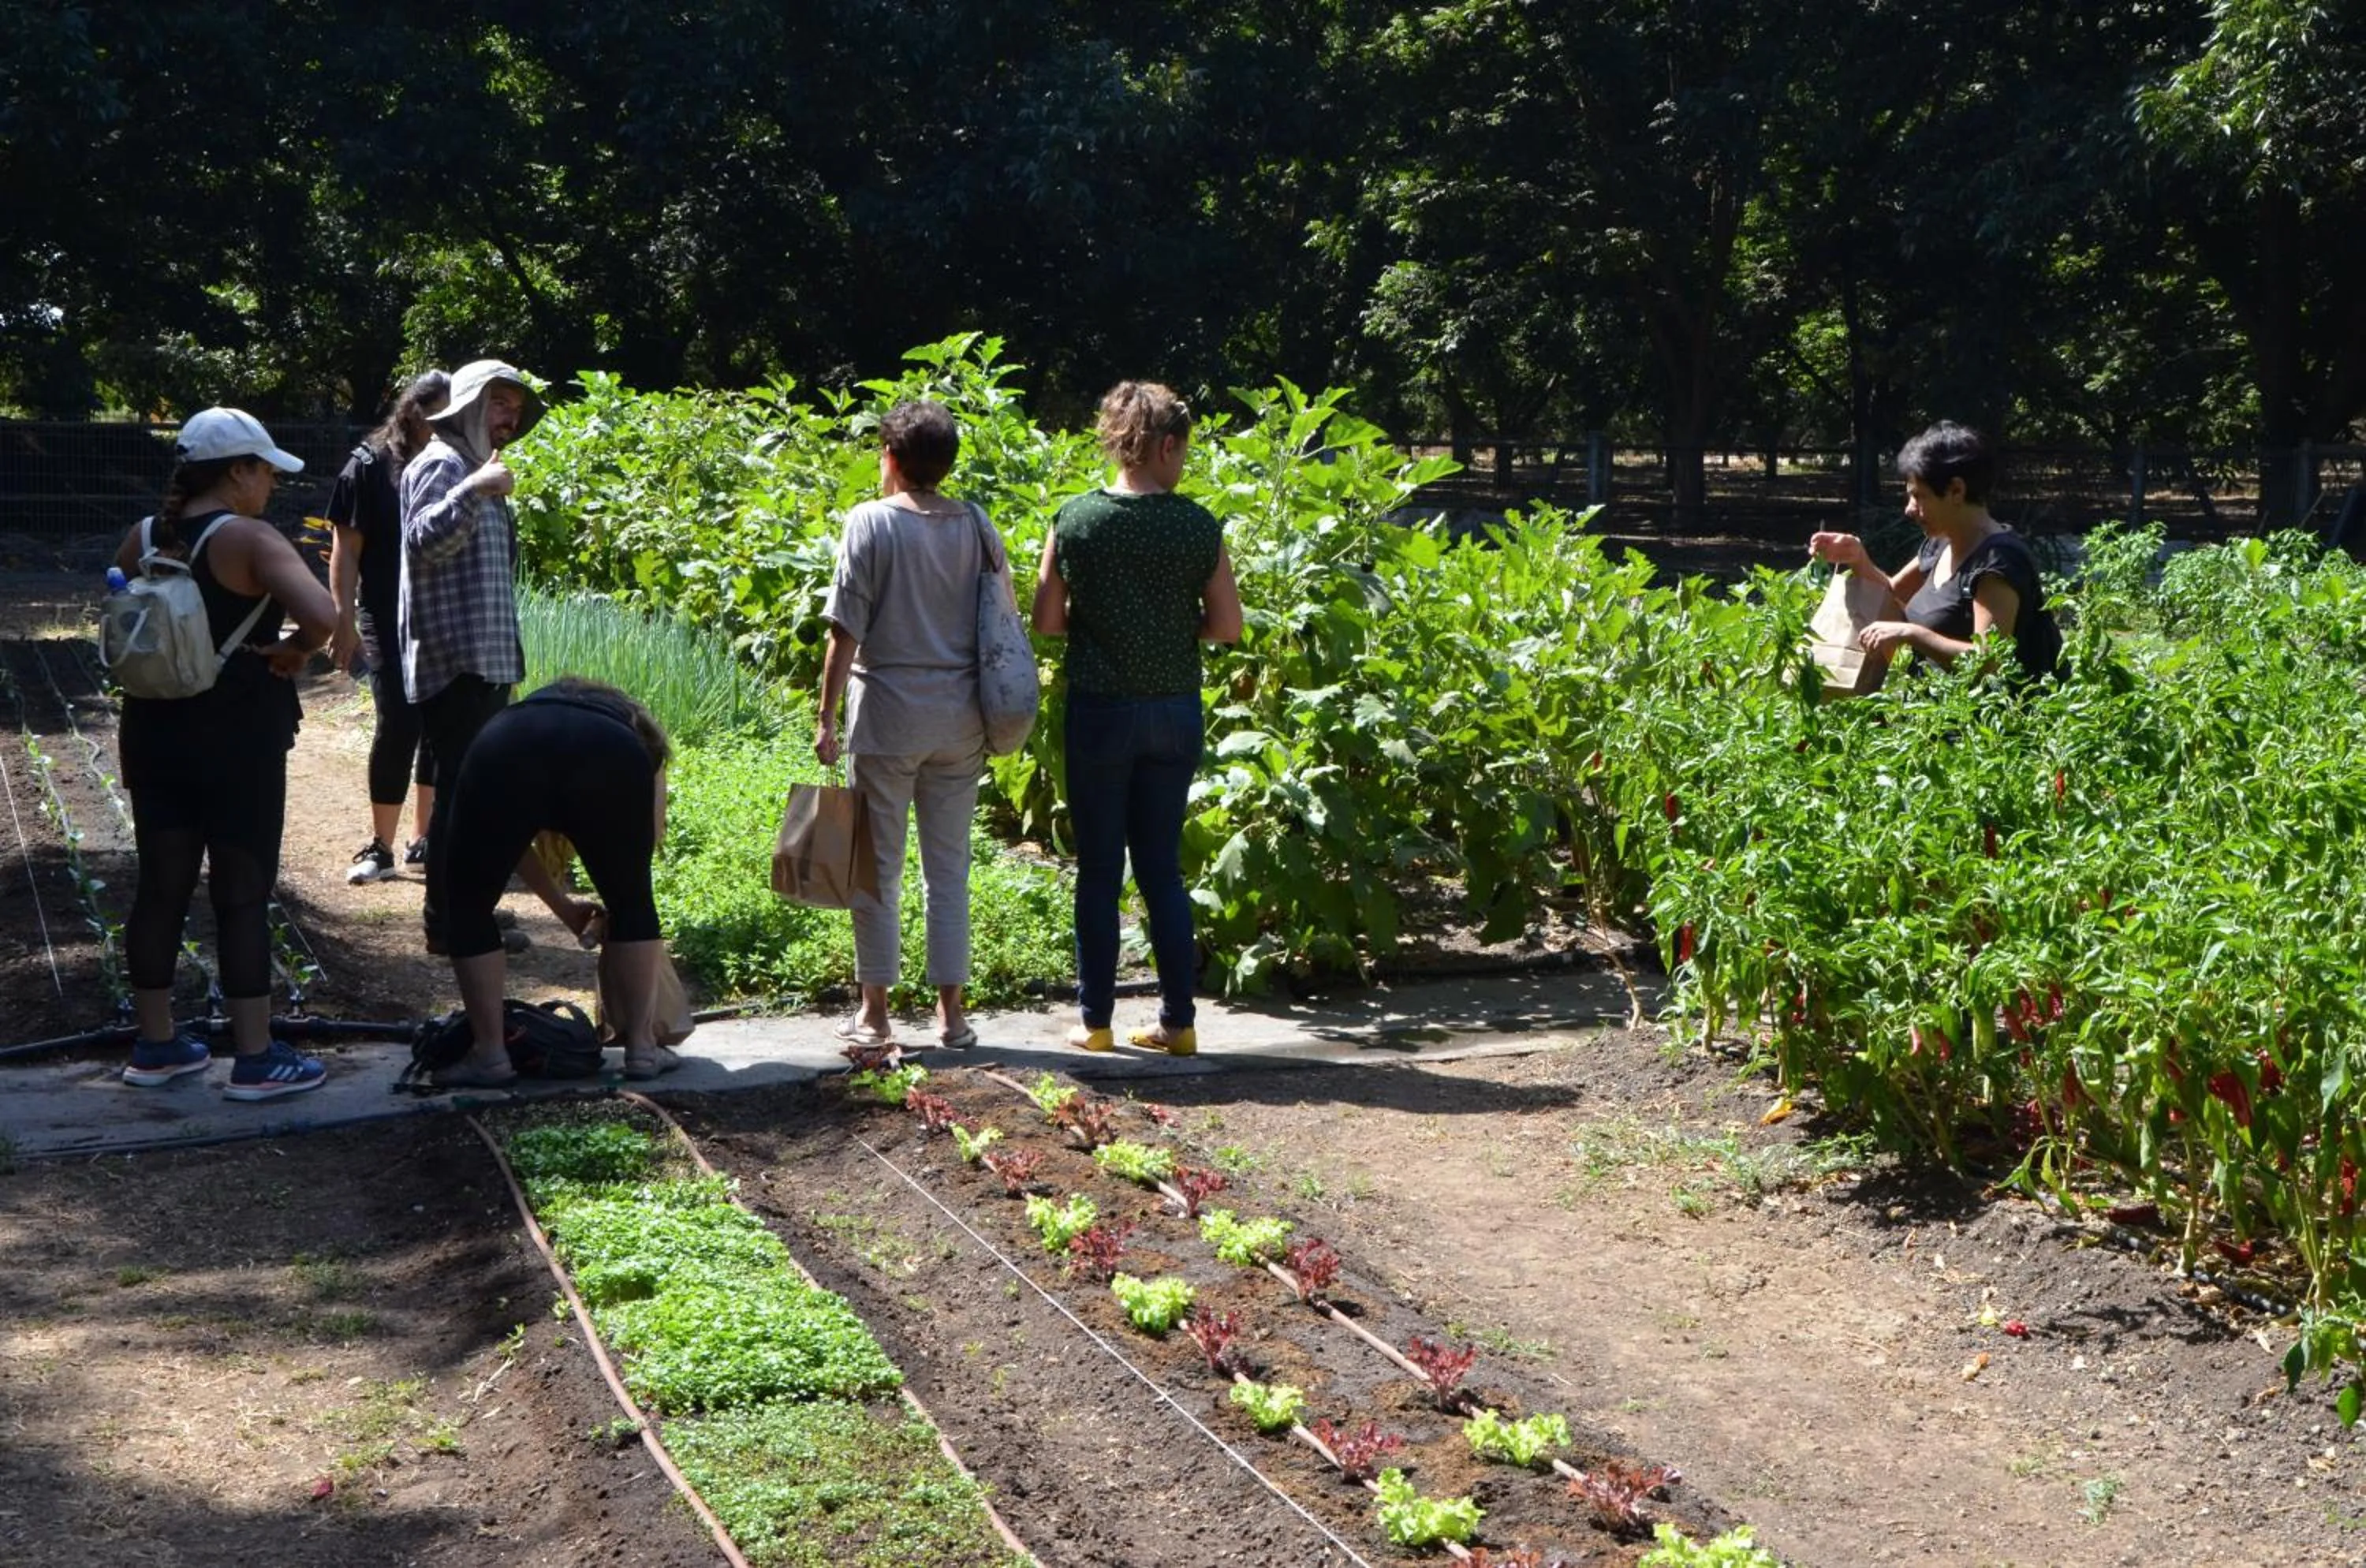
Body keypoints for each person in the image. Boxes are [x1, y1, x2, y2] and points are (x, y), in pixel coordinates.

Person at [114, 409, 338, 1099]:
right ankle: (256, 1057)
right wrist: (297, 649)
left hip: (153, 731)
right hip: (236, 734)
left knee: (160, 888)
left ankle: (156, 1047)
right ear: (238, 470)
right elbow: (326, 616)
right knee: (241, 893)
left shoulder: (145, 536)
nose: (271, 481)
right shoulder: (250, 538)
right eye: (266, 469)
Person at [1032, 382, 1242, 1055]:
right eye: (1184, 449)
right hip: (1174, 711)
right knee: (1161, 870)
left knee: (1098, 870)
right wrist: (1175, 626)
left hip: (1099, 711)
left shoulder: (1075, 520)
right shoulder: (1196, 525)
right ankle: (1179, 1025)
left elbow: (1046, 621)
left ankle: (1096, 1023)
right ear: (1166, 445)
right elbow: (1227, 627)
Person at [815, 401, 1006, 1050]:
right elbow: (1000, 622)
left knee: (877, 867)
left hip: (888, 718)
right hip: (960, 721)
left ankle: (874, 1015)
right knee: (948, 870)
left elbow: (845, 633)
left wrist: (825, 718)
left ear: (891, 459)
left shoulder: (868, 523)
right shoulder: (977, 525)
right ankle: (952, 1017)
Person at [427, 678, 675, 1086]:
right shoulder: (633, 742)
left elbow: (510, 842)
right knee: (634, 902)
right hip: (607, 754)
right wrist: (610, 899)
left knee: (467, 906)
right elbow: (638, 862)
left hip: (505, 746)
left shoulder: (525, 718)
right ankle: (643, 1051)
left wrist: (563, 907)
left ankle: (490, 1056)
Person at [399, 357, 562, 955]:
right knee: (462, 795)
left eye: (516, 412)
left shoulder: (474, 466)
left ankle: (469, 910)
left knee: (476, 792)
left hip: (484, 660)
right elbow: (423, 540)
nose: (509, 421)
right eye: (499, 406)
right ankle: (448, 921)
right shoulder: (444, 464)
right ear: (467, 405)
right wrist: (475, 489)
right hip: (456, 661)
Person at [1809, 422, 2062, 681]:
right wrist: (1858, 557)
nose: (1909, 509)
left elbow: (1989, 663)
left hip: (1986, 718)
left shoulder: (1996, 563)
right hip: (1935, 710)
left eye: (1918, 496)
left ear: (1956, 491)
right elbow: (1891, 596)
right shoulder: (1942, 542)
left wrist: (1912, 634)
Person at [327, 369, 448, 883]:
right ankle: (381, 844)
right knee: (398, 721)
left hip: (439, 615)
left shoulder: (453, 462)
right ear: (412, 410)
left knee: (439, 729)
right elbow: (345, 551)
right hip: (383, 614)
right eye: (434, 413)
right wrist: (343, 621)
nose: (442, 424)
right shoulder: (369, 466)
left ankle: (425, 839)